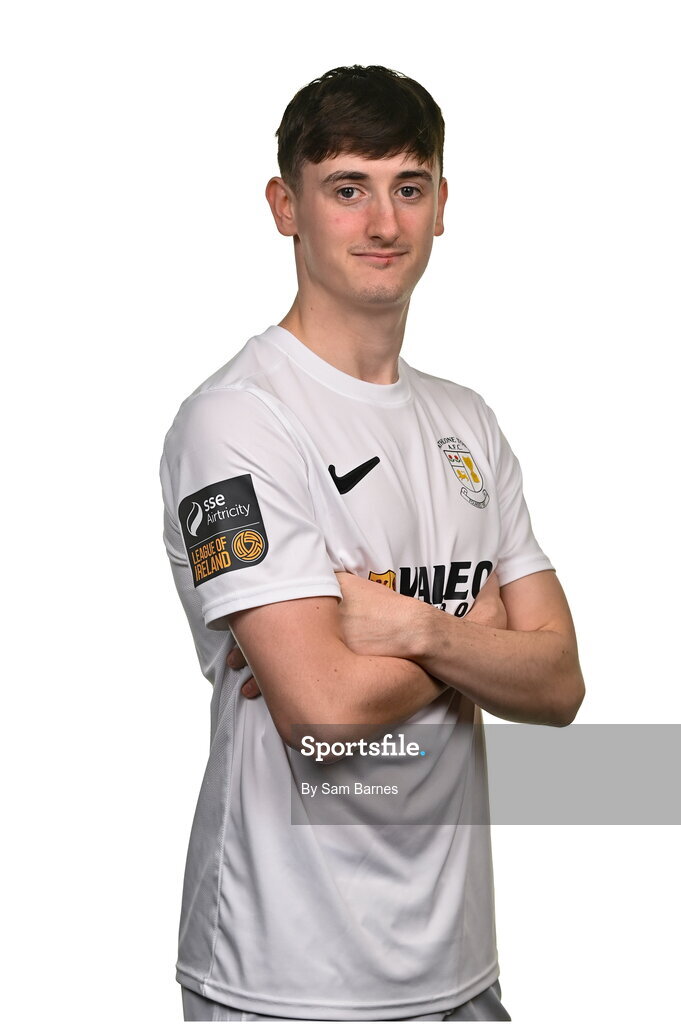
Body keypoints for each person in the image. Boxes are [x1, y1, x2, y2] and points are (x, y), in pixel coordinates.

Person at [160, 65, 585, 1022]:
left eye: (409, 186)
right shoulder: (235, 423)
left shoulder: (466, 422)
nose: (382, 222)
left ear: (442, 206)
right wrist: (474, 632)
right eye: (347, 188)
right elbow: (321, 713)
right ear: (286, 207)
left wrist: (406, 628)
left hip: (460, 973)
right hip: (283, 976)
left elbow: (557, 684)